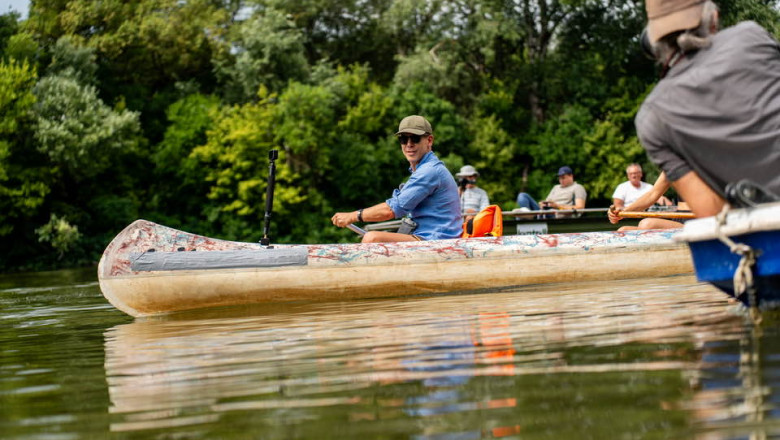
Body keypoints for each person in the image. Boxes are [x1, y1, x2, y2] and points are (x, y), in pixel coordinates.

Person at [636, 0, 780, 218]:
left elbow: (713, 213)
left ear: (653, 47)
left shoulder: (652, 119)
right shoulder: (751, 36)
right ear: (713, 19)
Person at [331, 115, 462, 243]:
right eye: (403, 139)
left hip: (437, 240)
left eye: (415, 139)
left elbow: (391, 210)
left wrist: (353, 216)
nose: (409, 144)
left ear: (429, 140)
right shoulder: (423, 170)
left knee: (373, 238)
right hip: (428, 237)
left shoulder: (429, 171)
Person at [608, 172, 684, 231]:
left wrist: (670, 207)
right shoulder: (673, 165)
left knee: (647, 224)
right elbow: (652, 195)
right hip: (680, 219)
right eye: (631, 174)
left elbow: (662, 200)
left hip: (694, 222)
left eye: (636, 173)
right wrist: (624, 211)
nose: (634, 176)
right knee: (623, 231)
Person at [515, 166, 587, 212]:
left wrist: (557, 206)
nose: (561, 180)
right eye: (559, 178)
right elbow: (548, 202)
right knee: (522, 195)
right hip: (545, 212)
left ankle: (527, 215)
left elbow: (580, 208)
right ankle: (527, 213)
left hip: (557, 214)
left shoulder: (578, 187)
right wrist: (542, 204)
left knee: (520, 213)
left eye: (563, 178)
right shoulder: (556, 187)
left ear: (571, 176)